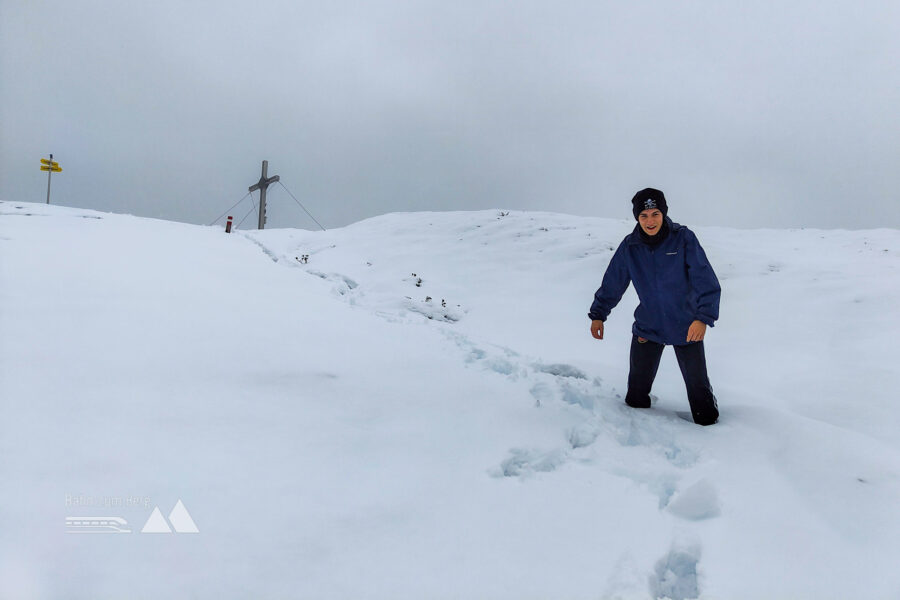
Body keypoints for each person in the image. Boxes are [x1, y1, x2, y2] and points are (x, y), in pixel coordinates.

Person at [588, 188, 720, 425]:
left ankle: (711, 433)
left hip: (686, 326)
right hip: (649, 327)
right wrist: (598, 314)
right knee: (635, 400)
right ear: (637, 218)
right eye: (644, 215)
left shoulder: (683, 238)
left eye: (655, 213)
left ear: (664, 213)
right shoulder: (631, 246)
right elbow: (613, 282)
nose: (650, 221)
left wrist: (703, 318)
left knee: (705, 412)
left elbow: (706, 280)